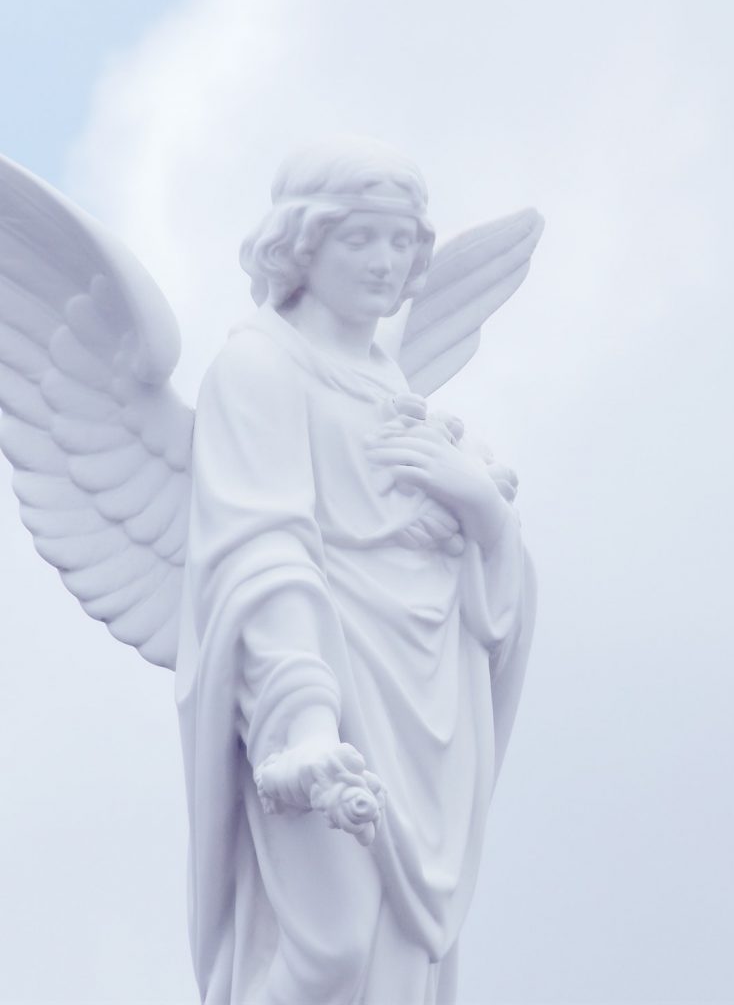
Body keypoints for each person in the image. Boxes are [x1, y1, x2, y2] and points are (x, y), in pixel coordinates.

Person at [174, 138, 536, 1005]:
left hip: (427, 698)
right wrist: (304, 724)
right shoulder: (259, 367)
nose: (387, 262)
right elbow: (263, 553)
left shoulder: (388, 382)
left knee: (400, 961)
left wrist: (483, 512)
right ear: (303, 244)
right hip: (312, 684)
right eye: (361, 240)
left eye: (403, 241)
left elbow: (482, 563)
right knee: (331, 947)